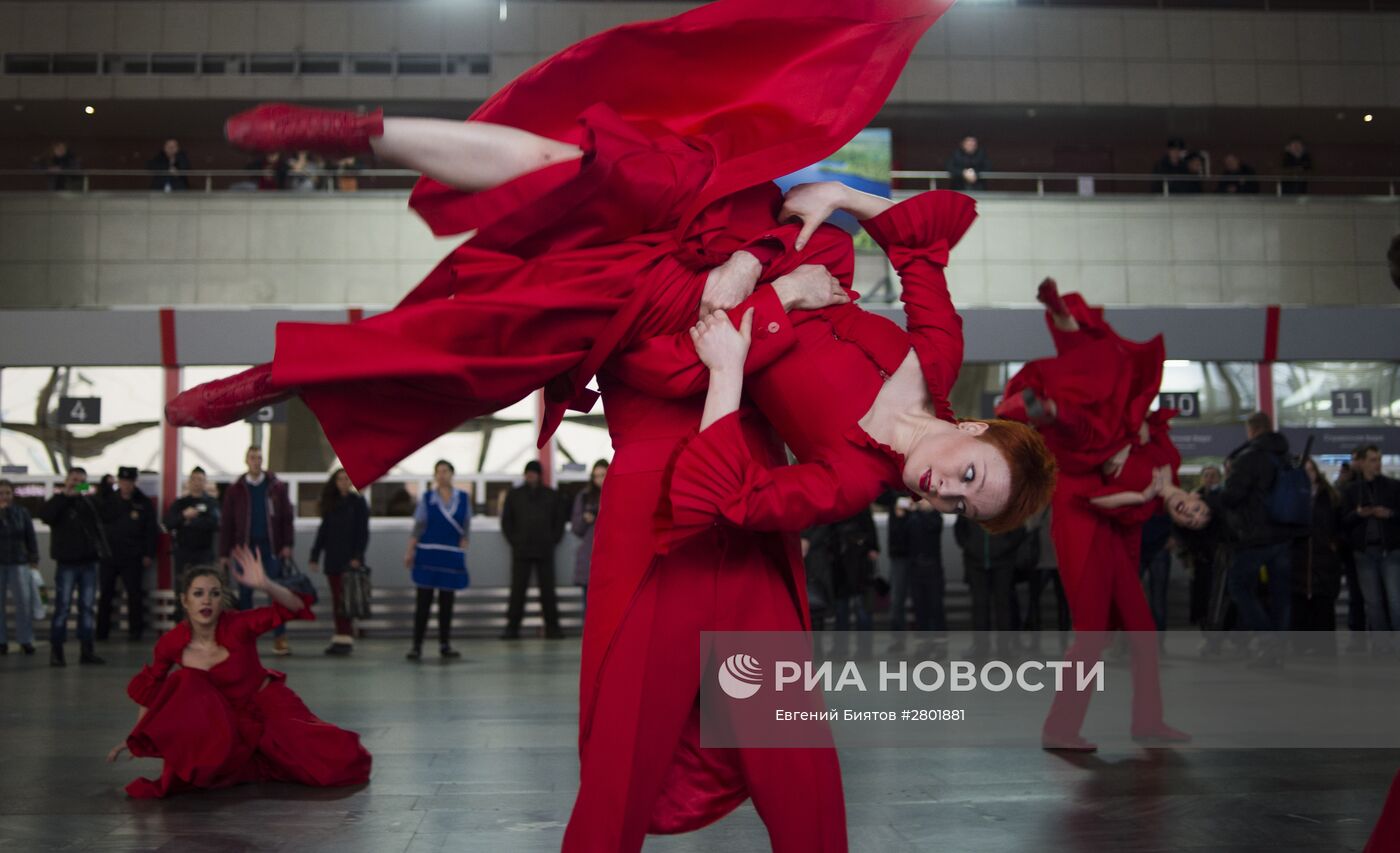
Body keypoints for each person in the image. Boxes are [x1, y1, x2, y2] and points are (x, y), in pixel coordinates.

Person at [993, 280, 1202, 750]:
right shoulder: (1130, 426)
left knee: (1141, 633)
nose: (1187, 510)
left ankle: (1147, 721)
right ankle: (1060, 729)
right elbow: (1090, 351)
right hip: (1081, 513)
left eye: (1188, 515)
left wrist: (1149, 490)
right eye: (1192, 508)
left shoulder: (1150, 455)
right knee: (1092, 634)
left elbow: (1145, 495)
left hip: (1101, 519)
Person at [107, 547, 371, 797]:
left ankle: (261, 758)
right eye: (198, 594)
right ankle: (239, 759)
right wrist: (137, 736)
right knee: (184, 680)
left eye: (214, 593)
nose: (206, 600)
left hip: (268, 706)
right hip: (225, 721)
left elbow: (293, 608)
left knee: (336, 766)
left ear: (223, 599)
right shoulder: (171, 643)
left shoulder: (238, 625)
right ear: (184, 600)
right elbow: (151, 688)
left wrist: (265, 584)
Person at [1219, 412, 1296, 665]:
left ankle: (1267, 638)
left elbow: (1232, 496)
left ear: (1252, 430)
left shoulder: (1248, 458)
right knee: (1281, 593)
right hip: (1284, 533)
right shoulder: (1285, 457)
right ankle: (1278, 646)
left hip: (1254, 535)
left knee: (1239, 586)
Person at [219, 446, 295, 656]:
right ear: (246, 460)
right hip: (245, 549)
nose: (256, 461)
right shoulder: (236, 489)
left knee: (276, 592)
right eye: (253, 457)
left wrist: (287, 545)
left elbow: (287, 517)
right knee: (245, 594)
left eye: (259, 458)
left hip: (271, 548)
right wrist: (224, 553)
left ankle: (280, 637)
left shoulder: (276, 487)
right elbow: (227, 523)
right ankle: (244, 638)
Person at [41, 468, 110, 667]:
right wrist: (65, 496)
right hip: (66, 565)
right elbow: (47, 516)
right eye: (73, 480)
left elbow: (102, 513)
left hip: (88, 563)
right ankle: (57, 652)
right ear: (66, 480)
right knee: (62, 608)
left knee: (87, 608)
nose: (76, 483)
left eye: (81, 481)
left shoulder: (87, 503)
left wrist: (89, 492)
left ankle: (87, 650)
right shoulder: (57, 502)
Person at [404, 460, 468, 660]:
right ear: (435, 476)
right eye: (438, 472)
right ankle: (417, 645)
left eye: (446, 471)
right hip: (428, 555)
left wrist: (464, 545)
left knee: (447, 603)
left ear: (452, 474)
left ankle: (445, 644)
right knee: (423, 602)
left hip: (449, 556)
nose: (442, 475)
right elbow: (418, 527)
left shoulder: (463, 498)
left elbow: (466, 527)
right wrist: (409, 551)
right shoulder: (427, 498)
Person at [1340, 444, 1400, 653]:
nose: (1377, 464)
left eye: (1379, 459)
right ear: (1363, 462)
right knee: (1372, 602)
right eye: (1373, 460)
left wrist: (1390, 514)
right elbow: (1343, 521)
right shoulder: (1351, 491)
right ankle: (1382, 644)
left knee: (1394, 600)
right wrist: (1359, 514)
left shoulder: (1393, 487)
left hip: (1390, 549)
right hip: (1364, 552)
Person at [501, 461, 566, 639]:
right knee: (517, 590)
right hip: (521, 550)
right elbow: (506, 521)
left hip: (545, 549)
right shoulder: (514, 495)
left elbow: (559, 520)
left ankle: (553, 628)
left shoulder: (551, 495)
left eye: (533, 473)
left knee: (548, 590)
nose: (530, 475)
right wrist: (515, 541)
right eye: (528, 473)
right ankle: (512, 628)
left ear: (539, 475)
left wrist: (553, 539)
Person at [309, 468, 369, 656]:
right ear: (335, 482)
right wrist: (314, 555)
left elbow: (363, 532)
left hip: (349, 561)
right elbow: (323, 532)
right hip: (332, 559)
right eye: (340, 479)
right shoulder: (330, 504)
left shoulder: (358, 503)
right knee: (337, 601)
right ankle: (340, 636)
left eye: (346, 479)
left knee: (346, 601)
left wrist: (357, 557)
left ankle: (345, 637)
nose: (343, 482)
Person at [97, 467, 158, 643]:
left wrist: (148, 553)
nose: (126, 485)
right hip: (109, 555)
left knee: (134, 595)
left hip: (133, 556)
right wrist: (102, 486)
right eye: (122, 482)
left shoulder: (143, 502)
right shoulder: (107, 498)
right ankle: (101, 632)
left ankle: (135, 631)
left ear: (134, 482)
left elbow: (150, 531)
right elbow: (83, 490)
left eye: (129, 482)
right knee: (106, 594)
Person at [955, 514, 1027, 658]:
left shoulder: (1005, 501)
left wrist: (1005, 546)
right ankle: (981, 647)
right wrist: (970, 546)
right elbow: (959, 529)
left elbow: (1019, 528)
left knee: (1003, 606)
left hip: (1003, 562)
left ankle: (1004, 648)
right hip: (975, 562)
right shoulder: (969, 502)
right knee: (979, 606)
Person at [1291, 458, 1342, 655]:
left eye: (1311, 470)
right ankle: (1301, 645)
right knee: (1299, 601)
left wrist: (1335, 543)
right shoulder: (1293, 497)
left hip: (1324, 558)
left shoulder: (1330, 497)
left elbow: (1340, 524)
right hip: (1299, 557)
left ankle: (1324, 646)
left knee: (1323, 602)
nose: (1308, 474)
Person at [0, 479, 39, 655]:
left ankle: (25, 639)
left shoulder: (21, 512)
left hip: (19, 562)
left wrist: (34, 557)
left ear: (12, 495)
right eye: (1, 493)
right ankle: (1, 641)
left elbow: (30, 536)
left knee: (23, 602)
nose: (4, 497)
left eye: (7, 493)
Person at [569, 459, 607, 622]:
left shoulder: (620, 493)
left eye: (603, 475)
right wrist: (586, 519)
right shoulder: (584, 496)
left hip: (612, 555)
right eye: (596, 476)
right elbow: (576, 528)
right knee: (590, 605)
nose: (600, 480)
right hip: (590, 556)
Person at [163, 467, 220, 575]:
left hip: (204, 553)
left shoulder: (211, 503)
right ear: (189, 481)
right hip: (183, 553)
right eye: (194, 479)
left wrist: (192, 522)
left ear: (205, 482)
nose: (197, 483)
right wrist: (183, 516)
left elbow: (215, 524)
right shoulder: (180, 503)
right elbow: (168, 523)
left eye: (200, 479)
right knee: (182, 586)